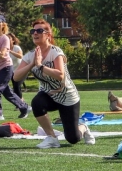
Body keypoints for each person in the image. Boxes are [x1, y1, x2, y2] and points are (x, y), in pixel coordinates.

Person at [13, 19, 95, 148]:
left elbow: (60, 75)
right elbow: (16, 77)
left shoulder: (55, 52)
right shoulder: (30, 55)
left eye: (39, 30)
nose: (35, 33)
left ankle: (83, 127)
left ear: (48, 35)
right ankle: (52, 138)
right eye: (33, 31)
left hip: (67, 96)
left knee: (72, 138)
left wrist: (40, 66)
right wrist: (32, 64)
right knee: (37, 103)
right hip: (49, 95)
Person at [8, 33, 26, 99]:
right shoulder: (5, 49)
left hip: (22, 70)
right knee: (16, 88)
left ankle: (20, 102)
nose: (7, 40)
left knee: (17, 85)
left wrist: (11, 51)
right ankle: (21, 101)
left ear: (13, 40)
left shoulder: (16, 47)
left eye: (9, 38)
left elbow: (20, 56)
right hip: (13, 72)